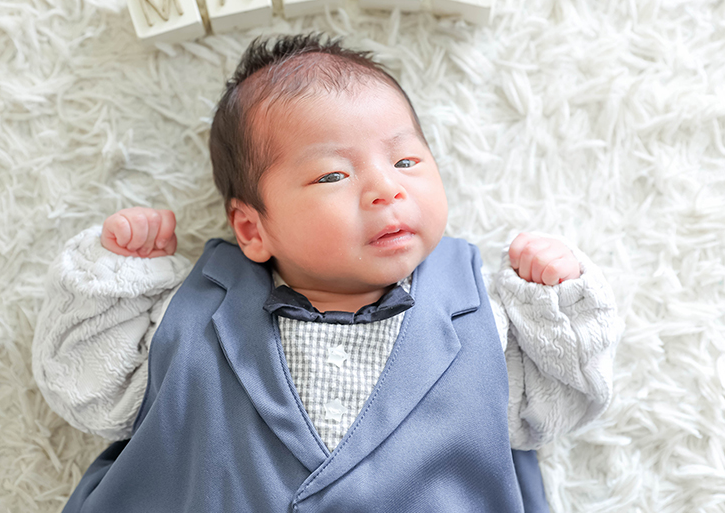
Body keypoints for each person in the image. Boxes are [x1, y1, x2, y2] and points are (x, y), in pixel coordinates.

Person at [32, 33, 618, 512]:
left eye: (406, 160)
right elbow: (86, 389)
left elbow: (558, 406)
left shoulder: (484, 317)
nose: (386, 188)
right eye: (333, 175)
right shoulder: (187, 314)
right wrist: (119, 278)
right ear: (252, 229)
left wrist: (557, 303)